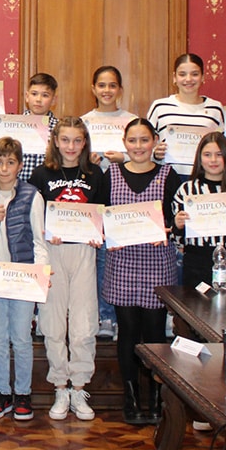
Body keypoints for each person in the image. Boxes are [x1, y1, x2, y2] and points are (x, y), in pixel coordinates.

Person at [28, 118, 109, 422]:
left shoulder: (95, 173)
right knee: (51, 321)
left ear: (85, 143)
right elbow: (35, 216)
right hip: (53, 250)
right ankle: (60, 385)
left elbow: (103, 212)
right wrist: (49, 231)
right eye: (65, 140)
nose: (71, 147)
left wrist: (97, 233)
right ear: (56, 141)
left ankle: (79, 386)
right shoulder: (41, 174)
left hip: (85, 251)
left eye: (77, 141)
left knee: (84, 321)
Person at [103, 118, 181, 426]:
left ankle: (157, 398)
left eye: (144, 140)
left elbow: (178, 220)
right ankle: (131, 397)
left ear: (154, 142)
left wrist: (169, 228)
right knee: (128, 334)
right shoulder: (111, 175)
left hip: (156, 262)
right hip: (122, 262)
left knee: (155, 334)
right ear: (125, 143)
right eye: (132, 140)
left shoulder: (168, 175)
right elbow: (100, 215)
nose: (138, 146)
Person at [0, 138, 48, 424]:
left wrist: (41, 272)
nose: (5, 168)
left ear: (20, 165)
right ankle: (1, 392)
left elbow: (39, 240)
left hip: (23, 277)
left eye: (10, 162)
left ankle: (23, 394)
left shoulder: (32, 196)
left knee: (21, 338)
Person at [82, 66, 136, 339]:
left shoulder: (132, 121)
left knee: (117, 257)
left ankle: (117, 316)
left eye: (112, 85)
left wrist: (122, 159)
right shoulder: (83, 122)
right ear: (93, 88)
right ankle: (103, 315)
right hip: (92, 196)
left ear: (120, 89)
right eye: (101, 85)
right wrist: (86, 161)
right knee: (95, 258)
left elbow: (144, 156)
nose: (107, 91)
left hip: (123, 194)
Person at [170, 131, 226, 291]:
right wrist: (177, 226)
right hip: (195, 268)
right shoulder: (186, 191)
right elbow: (177, 242)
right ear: (199, 158)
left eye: (219, 154)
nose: (213, 160)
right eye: (207, 154)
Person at [147, 53, 224, 175]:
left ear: (203, 77)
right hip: (166, 178)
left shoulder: (216, 108)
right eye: (182, 74)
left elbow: (223, 148)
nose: (188, 79)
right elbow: (145, 143)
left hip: (204, 177)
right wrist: (155, 153)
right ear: (174, 77)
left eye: (195, 74)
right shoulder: (160, 107)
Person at [16, 73, 59, 184]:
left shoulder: (60, 128)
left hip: (48, 187)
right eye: (34, 94)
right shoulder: (12, 125)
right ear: (27, 96)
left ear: (54, 100)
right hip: (16, 187)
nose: (38, 99)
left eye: (45, 95)